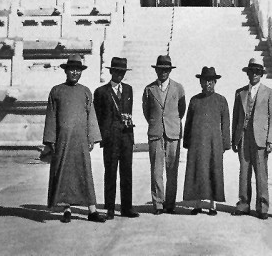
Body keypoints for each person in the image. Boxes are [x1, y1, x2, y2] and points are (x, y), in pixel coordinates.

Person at [42, 54, 106, 223]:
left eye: (78, 70)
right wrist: (51, 140)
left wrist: (92, 137)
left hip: (80, 141)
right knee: (65, 174)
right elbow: (51, 116)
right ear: (66, 71)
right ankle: (67, 209)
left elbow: (91, 115)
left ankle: (92, 210)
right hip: (62, 141)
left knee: (85, 173)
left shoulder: (85, 91)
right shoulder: (56, 91)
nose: (75, 73)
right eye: (72, 70)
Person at [231, 58, 272, 219]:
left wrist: (271, 139)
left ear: (261, 74)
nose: (254, 75)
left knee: (261, 173)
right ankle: (243, 204)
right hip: (243, 136)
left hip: (260, 138)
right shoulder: (240, 92)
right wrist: (234, 139)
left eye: (257, 72)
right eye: (251, 72)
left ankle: (262, 207)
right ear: (248, 73)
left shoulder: (269, 93)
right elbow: (236, 117)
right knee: (244, 172)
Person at [93, 57, 139, 219]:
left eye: (122, 72)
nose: (120, 75)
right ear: (111, 71)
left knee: (127, 173)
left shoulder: (128, 90)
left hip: (126, 137)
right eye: (117, 71)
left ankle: (126, 208)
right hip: (110, 139)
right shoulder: (101, 92)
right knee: (110, 173)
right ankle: (110, 208)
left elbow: (128, 113)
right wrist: (103, 136)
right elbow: (97, 116)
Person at [183, 66, 230, 216]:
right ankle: (197, 204)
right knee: (197, 171)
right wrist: (187, 141)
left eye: (211, 81)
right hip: (197, 143)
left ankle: (212, 205)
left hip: (214, 143)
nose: (208, 84)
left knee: (213, 172)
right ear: (200, 82)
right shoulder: (194, 100)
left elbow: (226, 124)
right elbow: (188, 122)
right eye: (205, 81)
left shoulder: (221, 100)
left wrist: (225, 143)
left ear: (215, 82)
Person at [142, 54, 186, 215]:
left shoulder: (178, 88)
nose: (163, 72)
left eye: (166, 70)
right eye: (160, 69)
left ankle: (170, 203)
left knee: (172, 170)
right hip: (156, 133)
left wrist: (171, 122)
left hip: (173, 133)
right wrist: (156, 123)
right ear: (156, 70)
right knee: (156, 170)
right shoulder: (149, 89)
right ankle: (158, 203)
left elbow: (181, 110)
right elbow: (147, 111)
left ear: (170, 71)